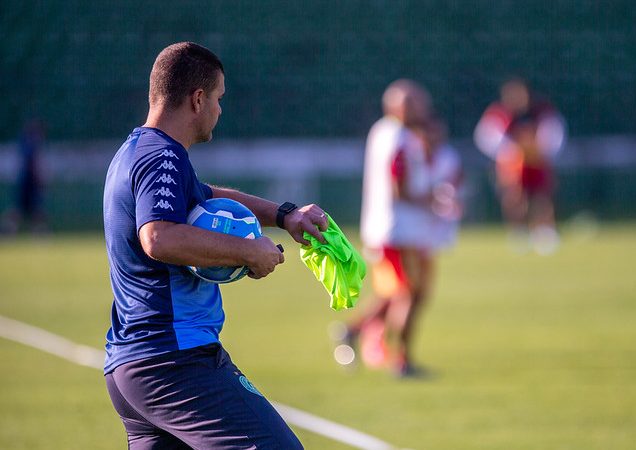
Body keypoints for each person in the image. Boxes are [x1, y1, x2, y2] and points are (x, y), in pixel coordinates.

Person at [102, 42, 328, 449]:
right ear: (198, 98)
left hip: (134, 367)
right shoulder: (162, 157)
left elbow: (206, 195)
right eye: (219, 98)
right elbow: (158, 236)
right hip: (175, 361)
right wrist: (250, 251)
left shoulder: (138, 151)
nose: (220, 110)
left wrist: (284, 215)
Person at [335, 79, 434, 377]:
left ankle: (352, 331)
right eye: (416, 102)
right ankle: (402, 361)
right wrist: (430, 199)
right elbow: (399, 187)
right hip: (398, 229)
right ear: (400, 106)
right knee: (409, 293)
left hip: (385, 227)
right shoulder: (400, 137)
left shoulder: (382, 131)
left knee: (395, 293)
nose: (423, 108)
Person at [475, 79, 565, 254]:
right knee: (515, 198)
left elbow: (554, 133)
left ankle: (544, 232)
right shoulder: (500, 114)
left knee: (542, 197)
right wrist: (511, 150)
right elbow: (486, 137)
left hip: (537, 161)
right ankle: (519, 233)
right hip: (512, 164)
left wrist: (540, 149)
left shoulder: (540, 111)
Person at [1, 119, 48, 234]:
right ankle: (38, 232)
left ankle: (9, 229)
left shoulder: (25, 144)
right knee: (29, 210)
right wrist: (39, 178)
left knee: (26, 210)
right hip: (28, 184)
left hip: (24, 183)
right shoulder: (31, 145)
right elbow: (32, 165)